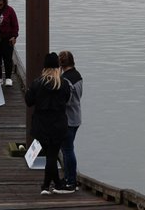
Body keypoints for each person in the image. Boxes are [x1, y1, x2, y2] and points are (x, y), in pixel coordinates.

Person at [25, 52, 73, 195]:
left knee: (50, 155)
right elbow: (67, 100)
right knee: (52, 155)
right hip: (58, 125)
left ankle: (48, 186)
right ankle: (52, 185)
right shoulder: (64, 84)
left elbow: (29, 101)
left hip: (41, 125)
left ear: (44, 67)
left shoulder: (37, 83)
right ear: (58, 67)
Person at [59, 50, 84, 193]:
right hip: (76, 116)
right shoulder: (78, 75)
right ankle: (69, 177)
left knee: (67, 150)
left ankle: (71, 181)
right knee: (68, 148)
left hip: (67, 119)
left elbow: (65, 100)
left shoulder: (65, 80)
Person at [0, 0, 20, 87]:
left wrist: (14, 36)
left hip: (7, 38)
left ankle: (8, 78)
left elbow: (15, 25)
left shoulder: (10, 10)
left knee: (8, 58)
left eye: (0, 5)